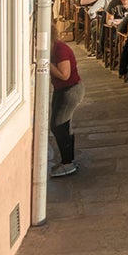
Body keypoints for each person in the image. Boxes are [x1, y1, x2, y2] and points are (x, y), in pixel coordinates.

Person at [49, 20, 83, 177]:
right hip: (62, 90)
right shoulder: (55, 48)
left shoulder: (60, 49)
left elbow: (65, 75)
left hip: (70, 90)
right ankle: (68, 160)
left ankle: (68, 163)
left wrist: (46, 63)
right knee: (63, 125)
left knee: (58, 125)